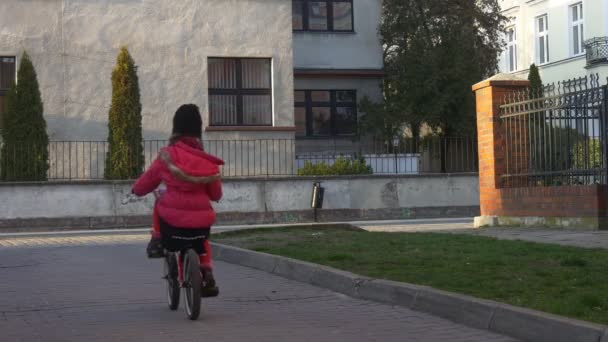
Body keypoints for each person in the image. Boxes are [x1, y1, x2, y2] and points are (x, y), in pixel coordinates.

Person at [131, 104, 223, 294]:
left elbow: (149, 180)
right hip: (201, 220)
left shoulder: (167, 155)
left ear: (176, 127)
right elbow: (216, 195)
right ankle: (206, 269)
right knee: (200, 238)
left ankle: (157, 240)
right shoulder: (206, 159)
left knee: (159, 201)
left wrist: (136, 190)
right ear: (198, 128)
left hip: (172, 221)